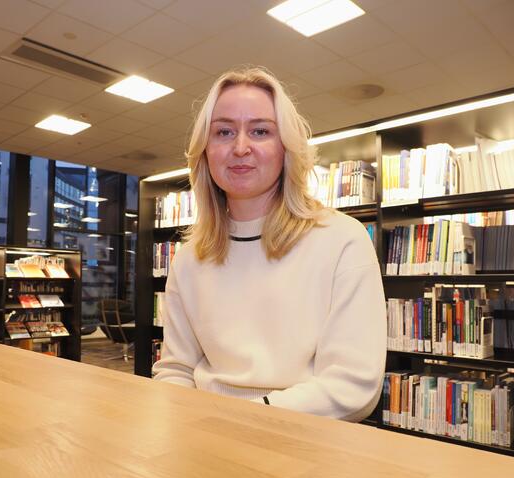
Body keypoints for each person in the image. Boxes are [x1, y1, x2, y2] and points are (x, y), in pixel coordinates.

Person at [152, 67, 386, 421]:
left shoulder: (342, 241)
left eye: (260, 131)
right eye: (224, 132)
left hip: (304, 442)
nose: (240, 147)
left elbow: (351, 386)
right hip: (202, 435)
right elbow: (175, 371)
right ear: (205, 152)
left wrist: (242, 419)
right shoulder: (188, 260)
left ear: (286, 149)